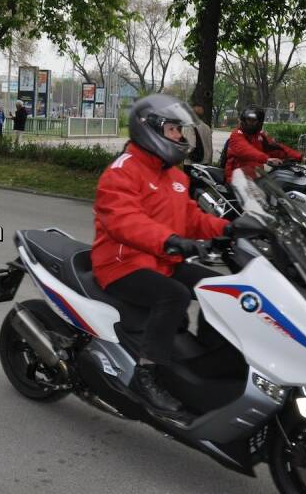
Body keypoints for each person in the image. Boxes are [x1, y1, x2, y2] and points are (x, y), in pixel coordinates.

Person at [92, 94, 229, 415]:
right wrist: (170, 240)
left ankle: (206, 362)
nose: (179, 136)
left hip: (162, 261)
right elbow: (125, 220)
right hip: (121, 265)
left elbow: (192, 218)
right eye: (173, 129)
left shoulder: (175, 176)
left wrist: (230, 228)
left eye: (180, 130)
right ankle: (146, 374)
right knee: (174, 296)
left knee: (221, 288)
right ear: (149, 129)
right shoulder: (122, 171)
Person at [223, 106, 302, 181]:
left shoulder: (260, 136)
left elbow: (277, 148)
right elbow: (246, 150)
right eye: (248, 120)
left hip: (255, 178)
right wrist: (267, 159)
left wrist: (299, 157)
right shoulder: (236, 134)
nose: (250, 123)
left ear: (259, 122)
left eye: (253, 120)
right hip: (236, 178)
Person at [184, 100, 213, 165]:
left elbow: (191, 146)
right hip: (205, 163)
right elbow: (210, 148)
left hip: (192, 163)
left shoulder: (189, 126)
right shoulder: (207, 127)